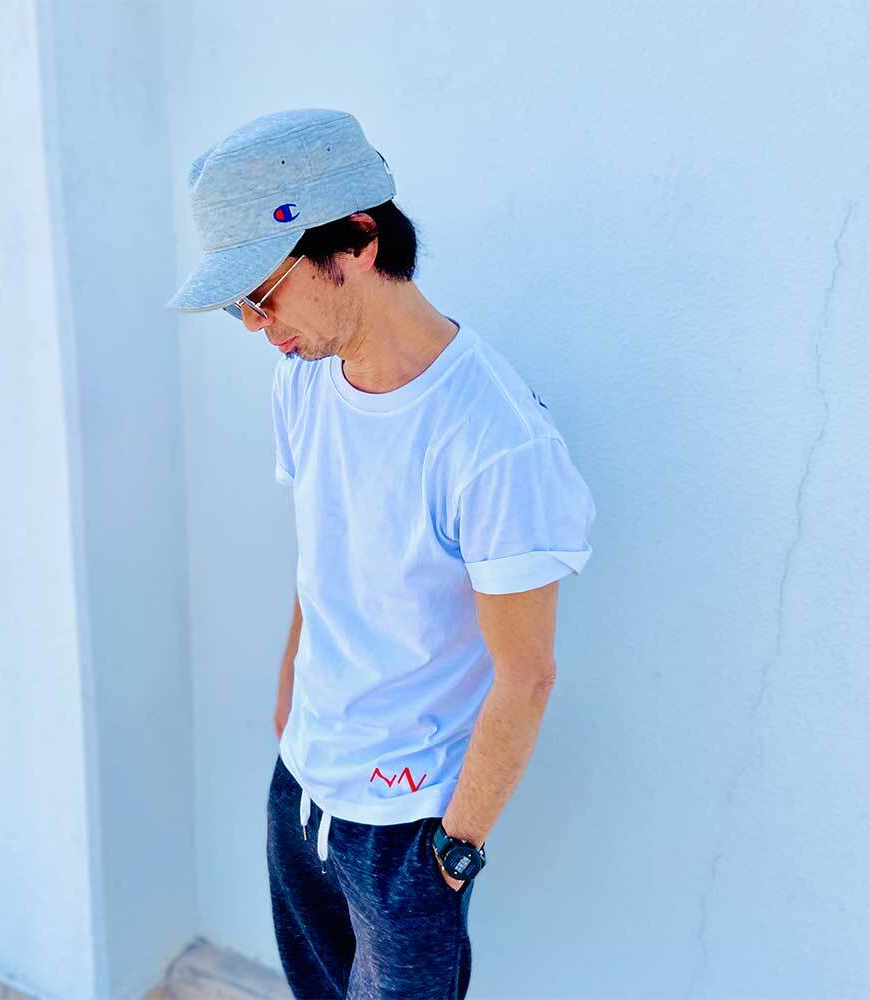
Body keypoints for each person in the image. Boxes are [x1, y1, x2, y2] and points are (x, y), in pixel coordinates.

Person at [167, 108, 597, 1000]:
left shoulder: (495, 441)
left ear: (357, 240)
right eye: (238, 305)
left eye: (262, 292)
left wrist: (451, 855)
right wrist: (291, 708)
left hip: (406, 832)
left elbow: (527, 676)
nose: (253, 324)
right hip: (301, 785)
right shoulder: (303, 380)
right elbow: (327, 554)